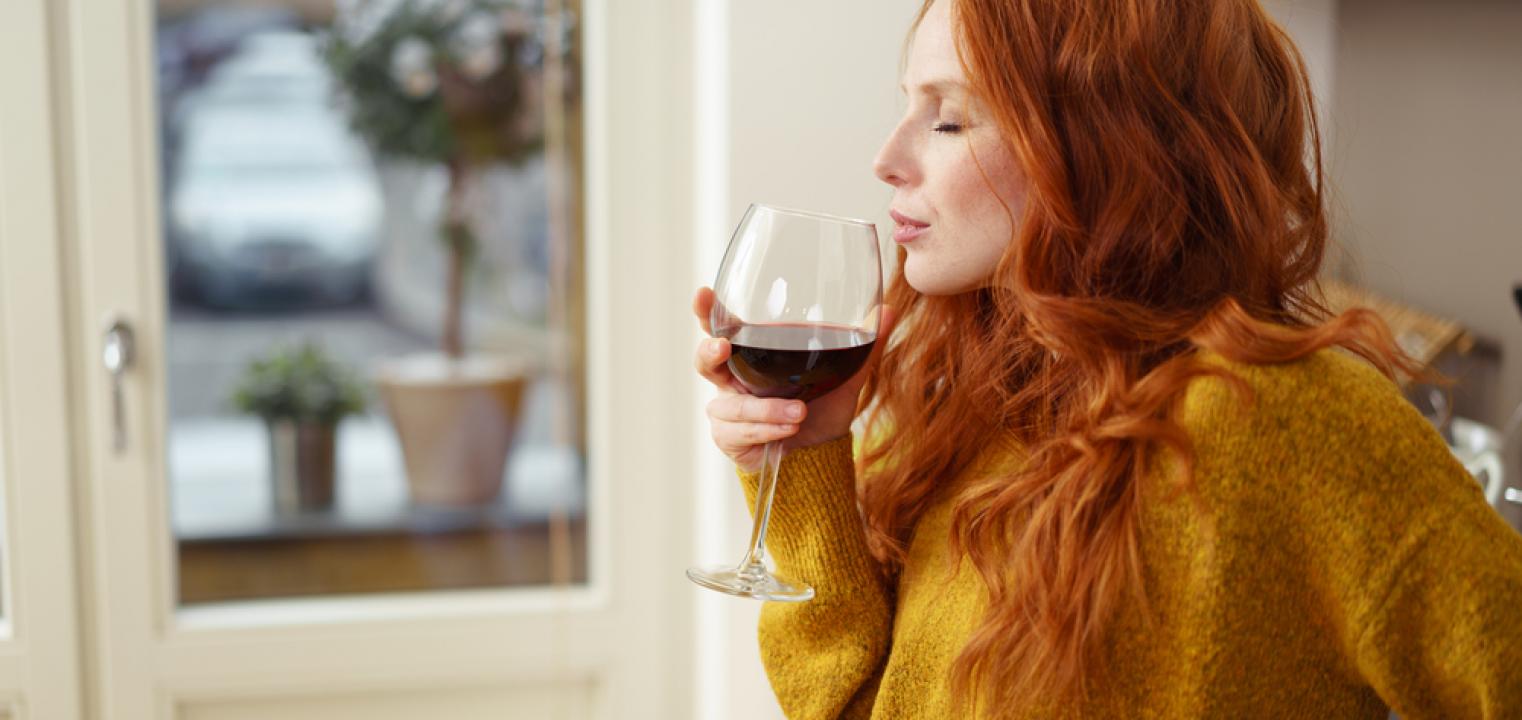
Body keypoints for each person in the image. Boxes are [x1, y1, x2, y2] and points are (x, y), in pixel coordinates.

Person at [692, 0, 1522, 717]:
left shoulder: (1290, 425)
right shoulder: (964, 418)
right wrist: (805, 458)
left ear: (1105, 145)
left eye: (949, 119)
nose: (887, 159)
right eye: (908, 105)